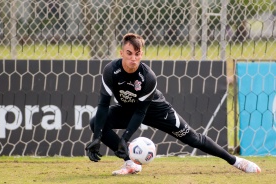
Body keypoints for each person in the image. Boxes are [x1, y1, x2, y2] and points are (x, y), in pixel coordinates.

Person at [85, 33, 261, 175]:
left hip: (155, 110)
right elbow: (103, 105)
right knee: (96, 123)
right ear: (122, 52)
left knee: (192, 138)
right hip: (127, 110)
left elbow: (141, 112)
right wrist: (96, 137)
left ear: (142, 54)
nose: (133, 58)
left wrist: (124, 139)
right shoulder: (110, 71)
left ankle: (237, 161)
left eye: (137, 54)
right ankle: (130, 164)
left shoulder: (148, 77)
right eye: (129, 53)